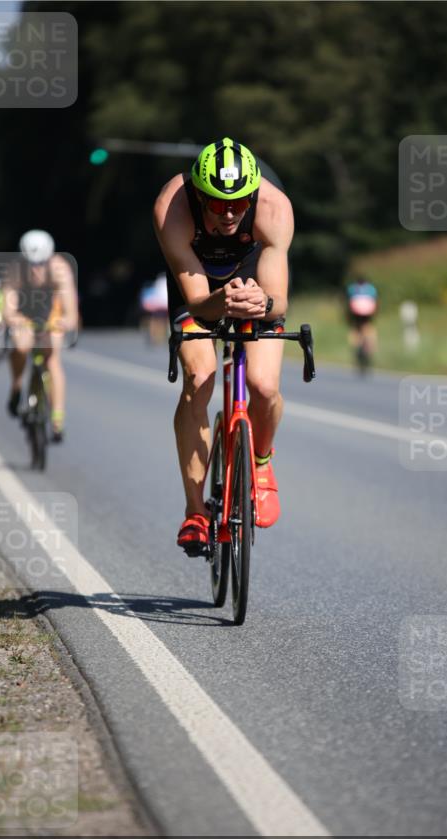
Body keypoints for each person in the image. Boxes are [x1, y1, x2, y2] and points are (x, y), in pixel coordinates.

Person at [153, 137, 293, 551]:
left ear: (253, 193)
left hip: (254, 281)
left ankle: (262, 463)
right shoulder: (172, 208)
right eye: (217, 203)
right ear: (199, 194)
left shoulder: (273, 208)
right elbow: (197, 302)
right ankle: (196, 511)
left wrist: (262, 302)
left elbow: (278, 300)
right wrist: (219, 300)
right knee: (199, 376)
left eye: (238, 203)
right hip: (197, 284)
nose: (229, 212)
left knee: (264, 386)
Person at [3, 230, 78, 442]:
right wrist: (15, 319)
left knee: (52, 359)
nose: (35, 269)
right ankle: (16, 386)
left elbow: (70, 311)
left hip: (51, 315)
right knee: (20, 346)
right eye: (31, 264)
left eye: (40, 263)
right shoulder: (15, 270)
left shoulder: (60, 269)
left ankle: (57, 420)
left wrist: (65, 322)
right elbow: (8, 308)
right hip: (25, 314)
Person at [346, 277, 378, 373]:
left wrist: (348, 317)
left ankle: (356, 346)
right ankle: (369, 347)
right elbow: (375, 302)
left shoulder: (352, 288)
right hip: (369, 310)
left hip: (356, 311)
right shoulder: (371, 288)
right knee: (368, 327)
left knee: (355, 328)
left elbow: (348, 302)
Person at [139, 272, 169, 344]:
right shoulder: (165, 280)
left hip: (158, 303)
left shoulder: (159, 280)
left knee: (156, 320)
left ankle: (155, 337)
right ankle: (164, 336)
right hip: (164, 303)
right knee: (164, 320)